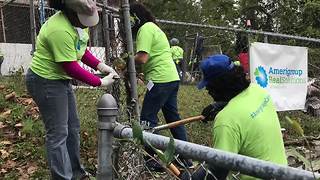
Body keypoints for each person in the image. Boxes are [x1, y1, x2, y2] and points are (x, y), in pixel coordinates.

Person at [25, 0, 118, 179]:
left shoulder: (77, 25)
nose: (86, 24)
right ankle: (63, 177)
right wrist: (99, 83)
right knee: (58, 133)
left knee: (72, 128)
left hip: (60, 80)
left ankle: (76, 173)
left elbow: (80, 50)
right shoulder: (58, 30)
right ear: (71, 12)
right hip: (45, 81)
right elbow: (70, 67)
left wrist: (101, 66)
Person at [181, 54, 287, 179]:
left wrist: (192, 178)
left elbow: (217, 171)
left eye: (208, 86)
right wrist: (219, 105)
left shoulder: (226, 120)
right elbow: (242, 105)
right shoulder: (258, 91)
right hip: (282, 173)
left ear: (218, 85)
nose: (207, 90)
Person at [130, 2, 192, 171]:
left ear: (134, 19)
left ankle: (152, 159)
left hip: (160, 79)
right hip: (170, 77)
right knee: (173, 118)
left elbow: (142, 57)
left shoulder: (145, 29)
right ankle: (186, 157)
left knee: (147, 120)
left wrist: (125, 58)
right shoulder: (154, 27)